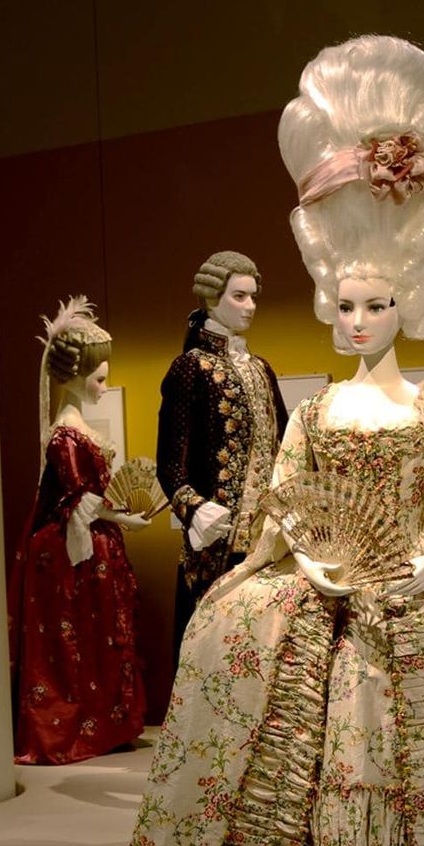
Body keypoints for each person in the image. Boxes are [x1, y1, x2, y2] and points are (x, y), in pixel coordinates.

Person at [103, 36, 424, 846]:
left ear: (406, 303)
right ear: (330, 300)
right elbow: (284, 509)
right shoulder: (315, 413)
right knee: (285, 714)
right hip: (333, 599)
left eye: (375, 306)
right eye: (346, 306)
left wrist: (423, 566)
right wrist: (311, 562)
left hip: (414, 596)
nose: (358, 319)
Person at [9, 296, 148, 765]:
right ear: (72, 375)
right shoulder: (65, 435)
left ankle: (108, 720)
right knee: (74, 639)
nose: (105, 387)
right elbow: (77, 499)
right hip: (70, 549)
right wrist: (123, 516)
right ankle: (73, 726)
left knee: (102, 632)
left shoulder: (77, 428)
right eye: (101, 378)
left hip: (94, 545)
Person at [157, 252, 287, 654]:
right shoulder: (190, 368)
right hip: (217, 541)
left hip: (267, 537)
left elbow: (284, 443)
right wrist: (195, 508)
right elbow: (169, 461)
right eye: (239, 296)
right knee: (212, 646)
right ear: (213, 298)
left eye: (252, 297)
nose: (249, 306)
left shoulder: (261, 368)